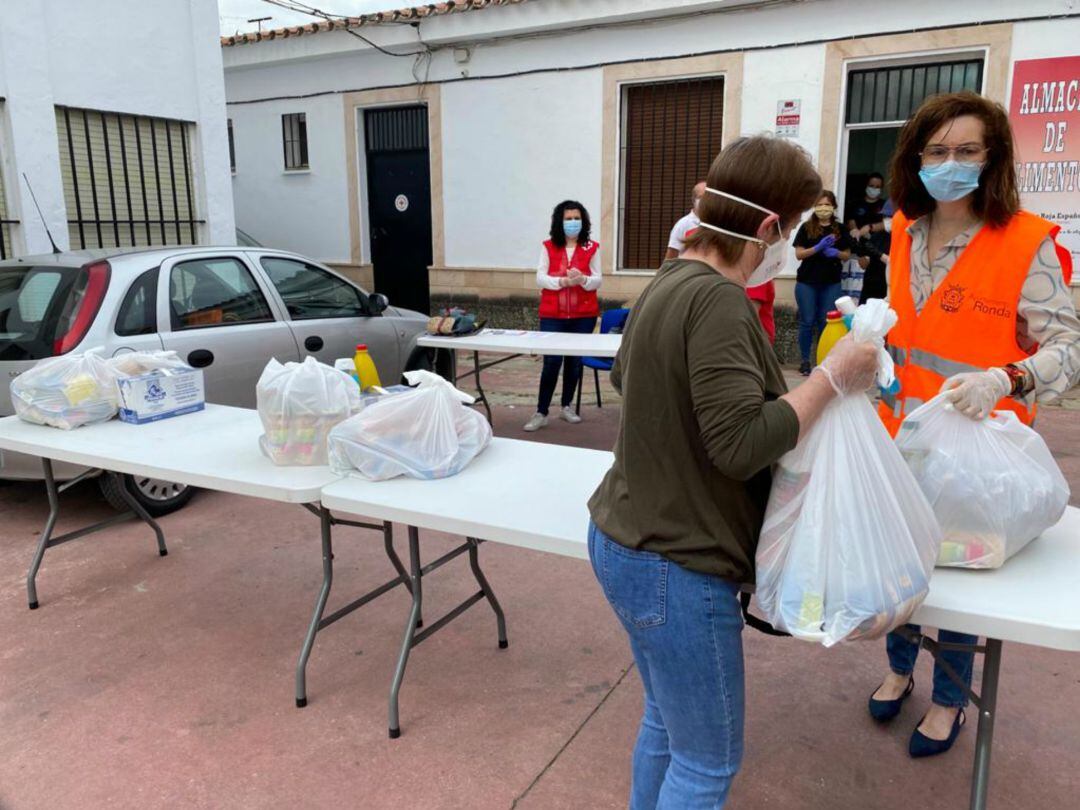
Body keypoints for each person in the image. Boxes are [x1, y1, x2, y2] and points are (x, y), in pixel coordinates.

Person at [587, 136, 880, 808]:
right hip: (677, 560)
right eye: (799, 225)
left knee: (666, 720)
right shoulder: (718, 300)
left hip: (626, 539)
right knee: (707, 763)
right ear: (772, 227)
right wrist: (832, 379)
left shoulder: (666, 279)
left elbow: (635, 379)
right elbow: (740, 446)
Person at [869, 91, 1079, 758]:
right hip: (900, 438)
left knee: (958, 578)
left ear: (991, 160)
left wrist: (1007, 379)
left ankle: (952, 699)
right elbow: (906, 331)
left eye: (967, 151)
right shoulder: (905, 229)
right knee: (900, 567)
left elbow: (1068, 349)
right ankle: (900, 667)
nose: (950, 163)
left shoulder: (1025, 240)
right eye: (937, 150)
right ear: (916, 158)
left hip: (977, 451)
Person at [523, 200, 602, 432]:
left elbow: (598, 278)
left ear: (583, 221)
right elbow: (540, 277)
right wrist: (563, 282)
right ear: (560, 221)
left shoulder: (591, 247)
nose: (572, 222)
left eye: (576, 218)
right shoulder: (548, 246)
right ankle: (541, 411)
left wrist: (583, 280)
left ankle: (567, 406)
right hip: (553, 314)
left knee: (574, 363)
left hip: (583, 315)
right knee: (551, 362)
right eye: (568, 219)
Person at [792, 191, 853, 375]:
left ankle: (823, 359)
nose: (823, 208)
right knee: (807, 321)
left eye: (827, 205)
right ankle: (804, 361)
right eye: (819, 205)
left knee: (826, 322)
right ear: (814, 207)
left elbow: (847, 254)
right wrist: (817, 248)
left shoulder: (840, 229)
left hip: (831, 282)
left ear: (833, 207)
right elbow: (799, 254)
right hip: (807, 281)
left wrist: (836, 253)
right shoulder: (806, 227)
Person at [846, 172, 890, 301]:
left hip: (878, 251)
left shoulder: (885, 205)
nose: (874, 189)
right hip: (858, 249)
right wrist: (855, 230)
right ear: (866, 186)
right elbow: (851, 220)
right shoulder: (855, 203)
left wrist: (869, 228)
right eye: (871, 185)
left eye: (877, 187)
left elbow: (888, 224)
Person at [665, 181, 707, 259]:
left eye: (708, 197)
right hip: (689, 269)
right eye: (701, 197)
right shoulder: (683, 225)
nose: (705, 201)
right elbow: (671, 254)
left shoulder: (717, 223)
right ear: (694, 200)